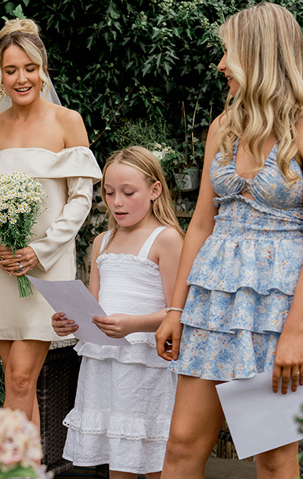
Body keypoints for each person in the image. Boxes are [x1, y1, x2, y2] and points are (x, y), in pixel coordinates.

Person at [155, 2, 303, 479]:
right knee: (181, 445)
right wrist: (176, 309)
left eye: (228, 53)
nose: (221, 65)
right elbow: (201, 224)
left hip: (280, 309)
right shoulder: (221, 129)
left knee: (271, 455)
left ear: (259, 55)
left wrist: (295, 332)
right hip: (215, 302)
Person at [0, 19, 102, 425]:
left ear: (43, 71)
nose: (21, 78)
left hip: (46, 269)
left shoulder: (68, 121)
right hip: (2, 270)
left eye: (29, 68)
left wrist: (38, 250)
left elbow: (80, 199)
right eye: (10, 70)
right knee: (16, 381)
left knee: (21, 378)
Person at [52, 146, 183, 479]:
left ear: (155, 190)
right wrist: (71, 320)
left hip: (145, 363)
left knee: (152, 454)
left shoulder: (165, 239)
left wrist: (134, 325)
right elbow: (93, 306)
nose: (117, 202)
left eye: (128, 193)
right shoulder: (102, 241)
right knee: (116, 458)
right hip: (104, 364)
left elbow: (178, 310)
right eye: (109, 193)